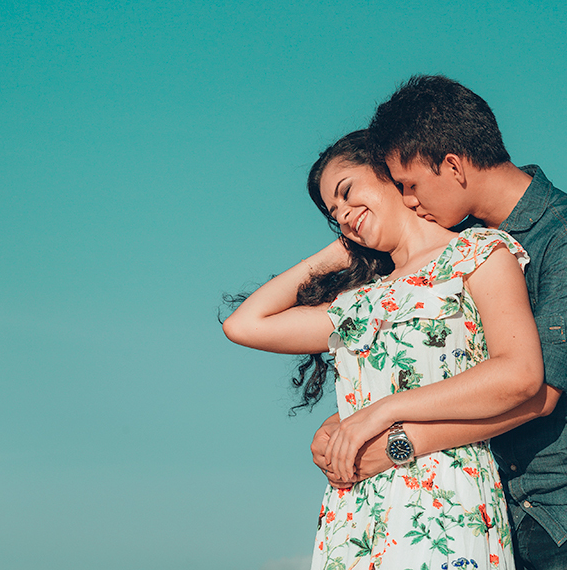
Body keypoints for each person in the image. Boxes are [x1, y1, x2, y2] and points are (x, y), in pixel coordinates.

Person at [311, 78, 567, 570]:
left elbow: (534, 391)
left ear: (453, 165)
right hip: (507, 513)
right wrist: (347, 419)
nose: (410, 202)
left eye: (411, 185)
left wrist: (396, 440)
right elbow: (450, 371)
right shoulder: (466, 249)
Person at [224, 130, 544, 570]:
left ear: (390, 172)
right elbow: (244, 324)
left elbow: (519, 375)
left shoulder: (478, 253)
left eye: (347, 192)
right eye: (334, 214)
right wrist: (339, 251)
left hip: (444, 498)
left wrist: (381, 411)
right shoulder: (358, 302)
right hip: (354, 513)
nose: (345, 215)